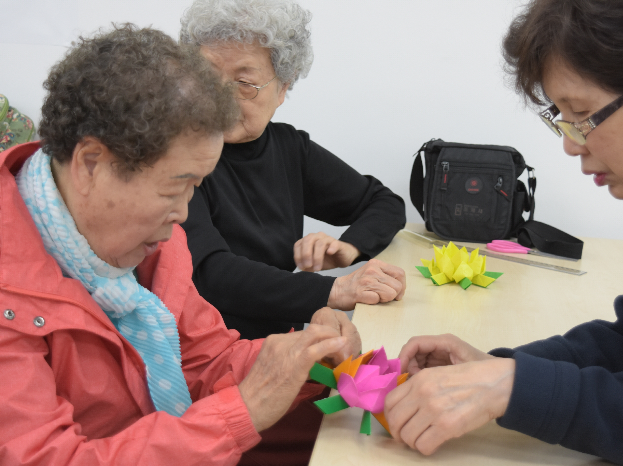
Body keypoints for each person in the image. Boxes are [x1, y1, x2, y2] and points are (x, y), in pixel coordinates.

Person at [0, 24, 361, 465]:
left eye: (195, 187)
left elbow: (204, 360)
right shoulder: (12, 293)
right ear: (91, 163)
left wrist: (304, 357)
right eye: (175, 188)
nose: (184, 214)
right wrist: (242, 412)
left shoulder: (154, 250)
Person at [384, 1, 623, 465]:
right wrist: (500, 369)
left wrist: (510, 388)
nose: (571, 144)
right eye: (562, 120)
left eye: (584, 115)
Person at [179, 0, 408, 340]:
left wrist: (348, 248)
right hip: (209, 347)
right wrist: (333, 290)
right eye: (207, 77)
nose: (220, 98)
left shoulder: (289, 148)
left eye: (244, 82)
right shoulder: (177, 155)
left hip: (283, 342)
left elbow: (383, 203)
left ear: (283, 88)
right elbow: (211, 272)